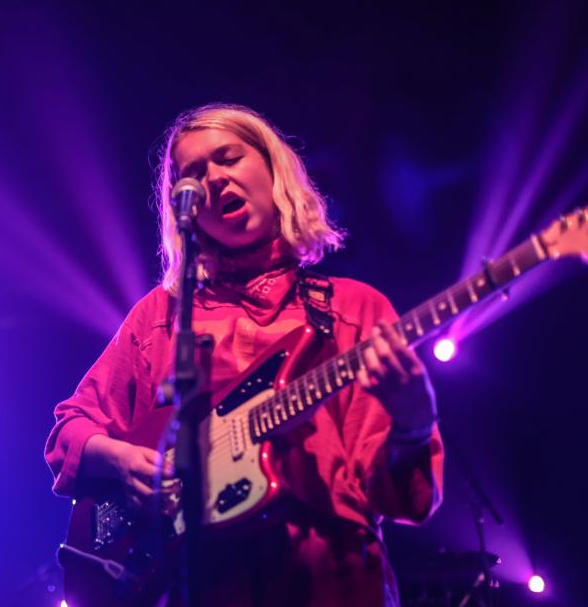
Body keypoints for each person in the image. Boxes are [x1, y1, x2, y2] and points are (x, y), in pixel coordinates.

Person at [45, 103, 443, 606]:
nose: (214, 179)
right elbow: (71, 429)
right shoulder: (161, 316)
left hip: (332, 584)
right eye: (193, 175)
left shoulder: (352, 309)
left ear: (273, 169)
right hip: (194, 583)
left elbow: (398, 498)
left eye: (229, 158)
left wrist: (411, 424)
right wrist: (121, 459)